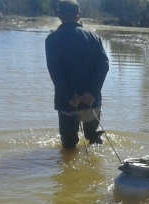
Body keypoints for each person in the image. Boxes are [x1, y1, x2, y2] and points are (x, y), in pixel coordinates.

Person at [45, 0, 110, 149]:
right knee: (95, 141)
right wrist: (92, 93)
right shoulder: (94, 37)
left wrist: (69, 95)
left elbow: (55, 71)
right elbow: (103, 66)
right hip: (91, 101)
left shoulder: (52, 40)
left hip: (67, 102)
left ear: (58, 14)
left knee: (68, 145)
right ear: (79, 15)